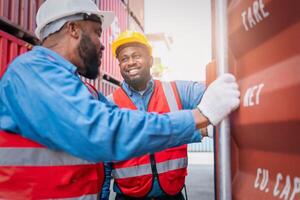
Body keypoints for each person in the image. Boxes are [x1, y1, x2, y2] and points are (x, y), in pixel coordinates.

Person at [0, 0, 240, 199]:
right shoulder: (33, 72)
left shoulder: (81, 89)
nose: (101, 44)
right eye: (96, 32)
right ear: (73, 29)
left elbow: (132, 123)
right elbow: (105, 131)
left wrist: (200, 129)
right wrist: (200, 116)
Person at [102, 31, 214, 200]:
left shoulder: (177, 91)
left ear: (150, 61)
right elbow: (104, 163)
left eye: (136, 56)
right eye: (124, 59)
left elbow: (214, 94)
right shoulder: (110, 104)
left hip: (172, 195)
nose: (130, 62)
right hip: (128, 197)